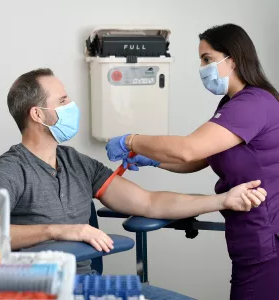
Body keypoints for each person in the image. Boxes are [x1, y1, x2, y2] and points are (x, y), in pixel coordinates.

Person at [0, 68, 266, 276]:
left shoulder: (76, 163)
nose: (71, 106)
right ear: (38, 114)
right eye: (63, 100)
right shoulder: (11, 169)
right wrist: (57, 230)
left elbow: (149, 203)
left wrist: (222, 201)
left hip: (86, 286)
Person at [105, 23, 279, 299]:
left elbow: (187, 149)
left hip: (266, 235)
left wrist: (132, 140)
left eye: (207, 59)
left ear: (232, 59)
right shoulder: (230, 104)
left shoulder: (254, 104)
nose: (201, 67)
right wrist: (152, 159)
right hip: (248, 234)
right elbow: (199, 158)